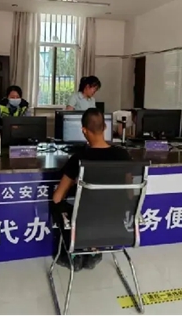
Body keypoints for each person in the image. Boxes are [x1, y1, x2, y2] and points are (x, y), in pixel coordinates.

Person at [51, 108, 131, 271]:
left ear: (84, 130)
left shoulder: (79, 159)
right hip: (116, 222)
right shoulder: (123, 155)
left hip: (85, 224)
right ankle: (94, 250)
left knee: (57, 204)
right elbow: (129, 193)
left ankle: (73, 253)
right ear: (105, 127)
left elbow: (57, 197)